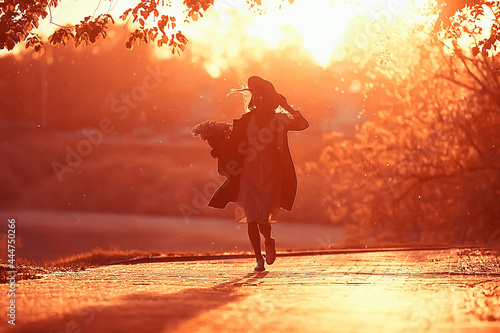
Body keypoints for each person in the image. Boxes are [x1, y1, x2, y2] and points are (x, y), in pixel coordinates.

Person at [208, 76, 309, 271]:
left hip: (272, 174)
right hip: (248, 173)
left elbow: (303, 124)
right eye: (255, 95)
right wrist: (218, 147)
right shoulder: (246, 120)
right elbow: (233, 145)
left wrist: (286, 106)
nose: (258, 98)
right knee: (251, 216)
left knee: (263, 218)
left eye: (262, 95)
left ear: (270, 99)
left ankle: (268, 240)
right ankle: (258, 259)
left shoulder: (280, 120)